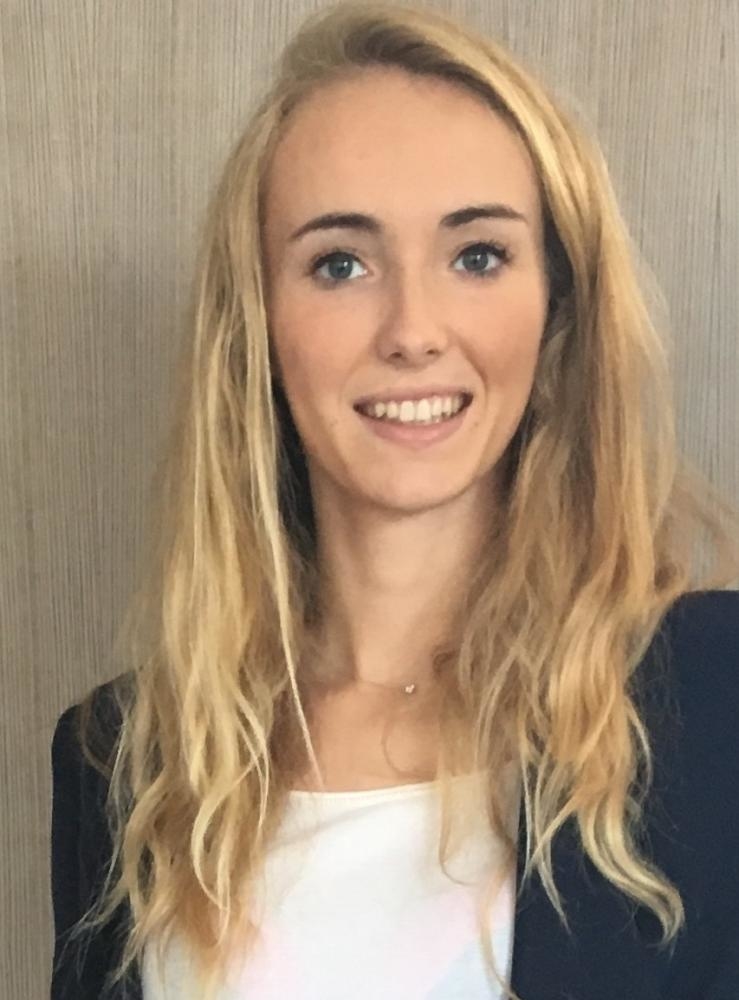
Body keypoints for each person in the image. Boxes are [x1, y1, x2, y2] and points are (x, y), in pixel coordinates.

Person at [49, 2, 739, 999]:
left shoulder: (710, 698)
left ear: (556, 310)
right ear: (257, 326)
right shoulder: (124, 757)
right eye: (340, 263)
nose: (413, 329)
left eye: (476, 255)